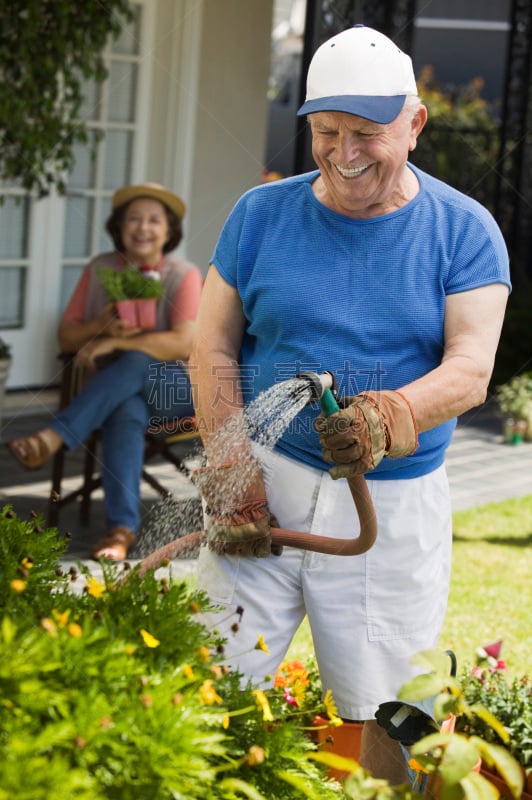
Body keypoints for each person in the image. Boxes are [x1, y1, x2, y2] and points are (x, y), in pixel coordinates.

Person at [188, 25, 511, 782]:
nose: (343, 151)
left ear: (415, 123)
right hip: (262, 479)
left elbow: (470, 369)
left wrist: (385, 417)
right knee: (215, 674)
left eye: (367, 133)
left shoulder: (464, 231)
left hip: (388, 508)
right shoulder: (261, 214)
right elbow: (210, 347)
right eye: (326, 132)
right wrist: (232, 467)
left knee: (390, 706)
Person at [7, 182, 202, 561]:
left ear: (168, 231)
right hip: (116, 395)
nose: (143, 228)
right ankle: (120, 530)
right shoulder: (101, 269)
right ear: (119, 226)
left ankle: (55, 435)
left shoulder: (183, 274)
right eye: (133, 219)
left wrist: (117, 344)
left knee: (134, 362)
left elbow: (183, 344)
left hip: (175, 392)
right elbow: (66, 338)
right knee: (126, 407)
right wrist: (100, 327)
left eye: (153, 220)